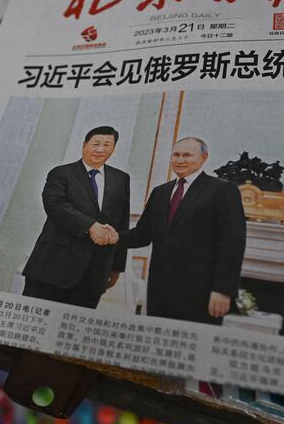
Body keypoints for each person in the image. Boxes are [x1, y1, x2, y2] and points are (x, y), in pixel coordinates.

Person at [101, 137, 246, 324]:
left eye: (187, 155)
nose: (179, 160)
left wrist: (223, 290)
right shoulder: (160, 192)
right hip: (159, 293)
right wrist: (115, 237)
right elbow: (143, 234)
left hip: (200, 294)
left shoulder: (223, 190)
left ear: (204, 158)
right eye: (176, 155)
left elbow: (232, 243)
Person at [21, 126, 130, 309]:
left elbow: (121, 222)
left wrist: (117, 267)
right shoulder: (61, 173)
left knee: (72, 329)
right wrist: (91, 226)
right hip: (52, 267)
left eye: (107, 145)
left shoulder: (121, 179)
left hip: (95, 271)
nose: (101, 149)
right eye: (96, 143)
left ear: (113, 149)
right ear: (84, 145)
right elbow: (55, 206)